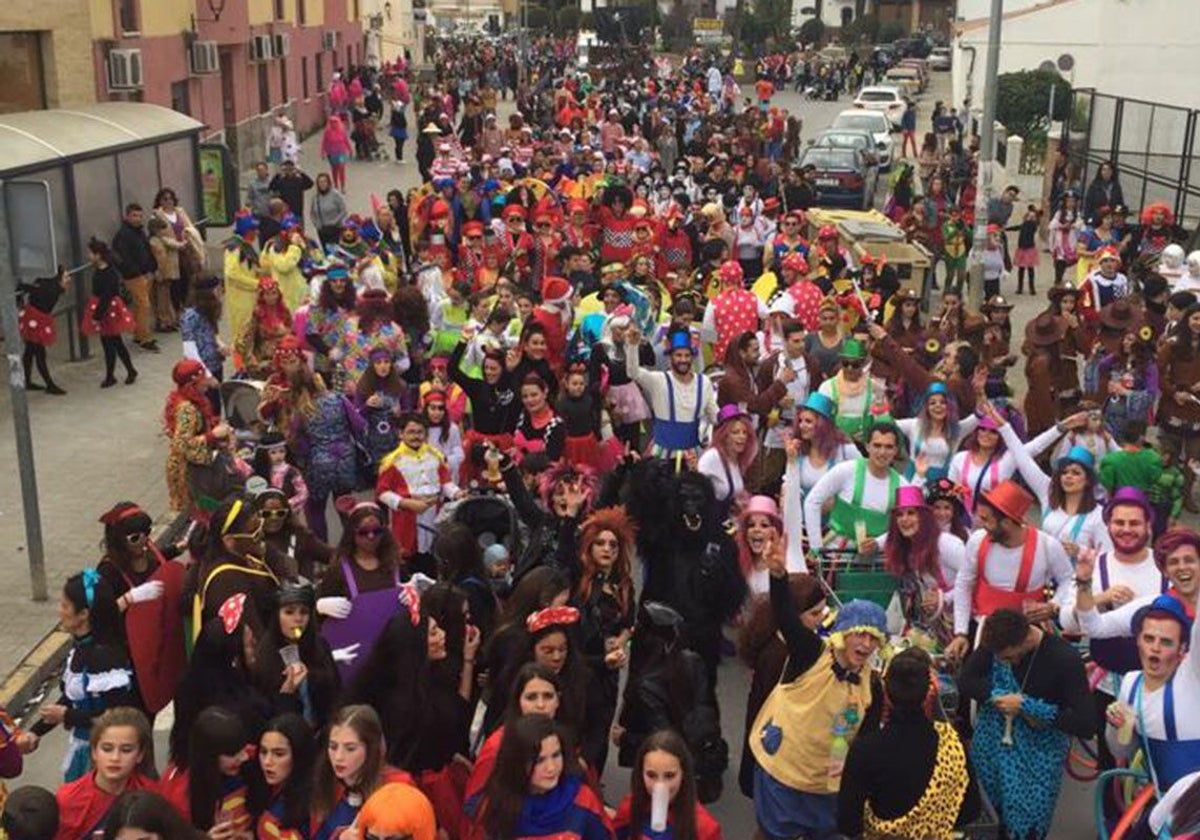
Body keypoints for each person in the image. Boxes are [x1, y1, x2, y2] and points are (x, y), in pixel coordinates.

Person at [749, 534, 887, 840]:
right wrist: (778, 576)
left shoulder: (872, 685)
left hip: (827, 784)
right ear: (842, 634)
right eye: (859, 634)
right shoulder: (811, 652)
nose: (866, 644)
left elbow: (867, 740)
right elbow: (786, 617)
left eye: (873, 638)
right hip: (783, 770)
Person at [957, 609, 1095, 840]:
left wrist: (1029, 707)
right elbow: (967, 681)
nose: (1005, 663)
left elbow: (1086, 724)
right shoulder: (996, 641)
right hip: (991, 752)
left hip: (1036, 761)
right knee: (985, 823)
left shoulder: (1064, 658)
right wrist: (998, 696)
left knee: (1027, 828)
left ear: (1027, 638)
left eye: (1011, 658)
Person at [837, 648, 981, 839]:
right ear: (928, 693)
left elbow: (848, 822)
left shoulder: (865, 750)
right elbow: (970, 810)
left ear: (886, 694)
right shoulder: (952, 742)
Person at [945, 481, 1075, 661]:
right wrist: (961, 632)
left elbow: (1069, 580)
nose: (980, 524)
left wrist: (1054, 605)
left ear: (1006, 522)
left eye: (986, 519)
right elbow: (963, 583)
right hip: (983, 631)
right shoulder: (977, 540)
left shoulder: (1047, 545)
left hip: (1027, 637)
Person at [32, 570, 137, 782]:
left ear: (83, 614)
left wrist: (67, 716)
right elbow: (71, 700)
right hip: (85, 752)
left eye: (64, 606)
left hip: (108, 761)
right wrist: (35, 732)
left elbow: (115, 717)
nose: (59, 611)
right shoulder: (80, 648)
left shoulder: (105, 658)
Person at [467, 715, 613, 840]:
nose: (551, 768)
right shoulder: (494, 804)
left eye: (556, 755)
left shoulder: (582, 801)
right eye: (539, 760)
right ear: (517, 763)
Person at [311, 704, 416, 840]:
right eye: (333, 746)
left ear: (371, 749)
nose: (338, 757)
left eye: (350, 748)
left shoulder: (399, 787)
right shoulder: (325, 781)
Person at [52, 708, 158, 840]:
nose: (115, 757)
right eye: (107, 749)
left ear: (140, 755)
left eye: (126, 750)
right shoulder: (67, 800)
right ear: (94, 752)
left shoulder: (154, 796)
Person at [803, 422, 905, 555]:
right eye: (877, 445)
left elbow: (907, 523)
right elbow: (812, 502)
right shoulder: (846, 470)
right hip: (836, 555)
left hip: (878, 560)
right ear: (867, 446)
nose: (882, 452)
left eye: (889, 447)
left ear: (896, 450)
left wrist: (878, 543)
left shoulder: (902, 485)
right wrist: (816, 547)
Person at [611, 730, 723, 840]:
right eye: (651, 775)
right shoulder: (630, 807)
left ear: (683, 774)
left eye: (669, 776)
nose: (660, 785)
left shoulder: (704, 827)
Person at [627, 328, 718, 461]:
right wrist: (632, 346)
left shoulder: (704, 382)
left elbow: (713, 413)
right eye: (679, 355)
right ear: (670, 357)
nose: (683, 360)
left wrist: (731, 419)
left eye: (687, 356)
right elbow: (632, 372)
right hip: (662, 454)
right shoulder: (658, 380)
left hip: (692, 455)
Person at [81, 238, 138, 387]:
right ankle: (121, 372)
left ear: (98, 255)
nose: (89, 256)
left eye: (91, 253)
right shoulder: (103, 270)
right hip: (105, 309)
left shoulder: (108, 273)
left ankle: (118, 374)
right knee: (112, 343)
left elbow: (106, 296)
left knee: (112, 342)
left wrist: (96, 316)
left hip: (107, 310)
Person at [109, 203, 159, 351]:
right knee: (144, 305)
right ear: (127, 216)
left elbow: (146, 250)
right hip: (134, 275)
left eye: (139, 215)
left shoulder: (139, 232)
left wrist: (151, 268)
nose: (137, 219)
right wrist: (135, 272)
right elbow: (123, 258)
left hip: (144, 273)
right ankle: (144, 338)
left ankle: (138, 333)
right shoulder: (123, 235)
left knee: (139, 305)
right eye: (134, 215)